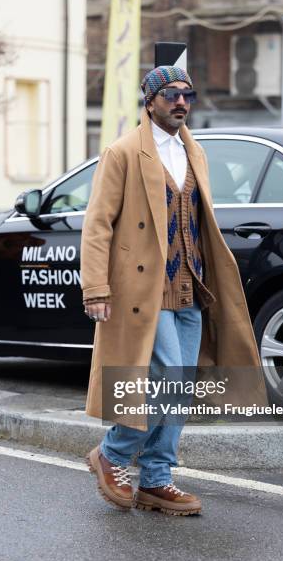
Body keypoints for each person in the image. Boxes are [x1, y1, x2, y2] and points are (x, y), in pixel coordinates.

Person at [81, 65, 267, 516]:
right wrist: (96, 288)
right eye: (170, 95)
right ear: (150, 101)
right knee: (163, 378)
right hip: (145, 289)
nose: (181, 102)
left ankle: (158, 478)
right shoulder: (123, 152)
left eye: (188, 94)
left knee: (182, 384)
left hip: (191, 287)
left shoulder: (194, 151)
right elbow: (98, 223)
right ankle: (113, 452)